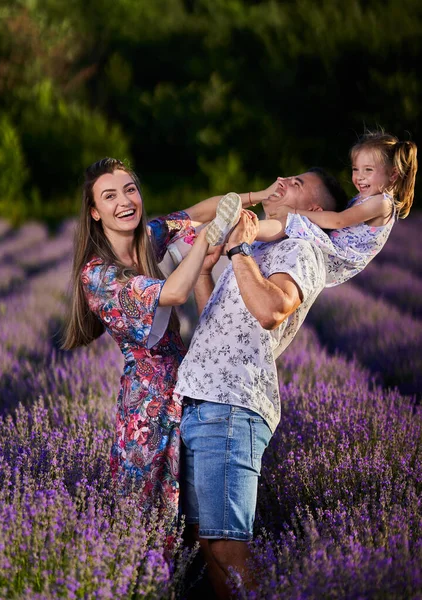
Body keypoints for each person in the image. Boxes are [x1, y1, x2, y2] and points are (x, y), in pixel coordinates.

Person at [62, 157, 274, 515]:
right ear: (95, 212)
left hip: (188, 385)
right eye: (110, 196)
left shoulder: (147, 239)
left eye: (130, 190)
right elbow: (174, 293)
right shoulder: (97, 275)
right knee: (149, 515)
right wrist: (205, 237)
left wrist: (256, 196)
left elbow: (195, 212)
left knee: (198, 508)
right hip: (148, 407)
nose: (125, 202)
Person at [174, 168, 348, 598]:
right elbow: (218, 321)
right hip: (201, 399)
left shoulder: (303, 249)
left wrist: (240, 250)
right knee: (205, 542)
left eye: (299, 182)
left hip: (232, 407)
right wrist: (203, 274)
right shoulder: (256, 251)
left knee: (226, 544)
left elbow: (272, 309)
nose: (283, 179)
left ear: (314, 210)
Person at [256, 131, 418, 285]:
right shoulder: (368, 197)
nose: (359, 176)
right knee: (290, 231)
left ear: (393, 175)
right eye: (356, 169)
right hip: (332, 247)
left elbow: (339, 221)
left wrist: (294, 211)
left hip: (337, 256)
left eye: (368, 170)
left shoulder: (382, 203)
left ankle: (248, 230)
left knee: (291, 222)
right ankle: (252, 241)